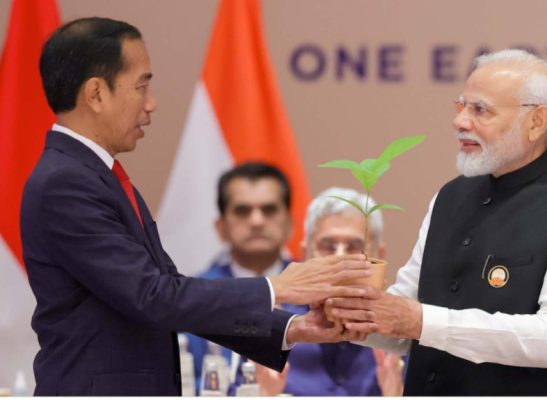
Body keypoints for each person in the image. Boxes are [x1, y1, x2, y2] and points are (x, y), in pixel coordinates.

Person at [20, 17, 371, 396]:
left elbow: (171, 293)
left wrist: (289, 329)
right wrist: (278, 287)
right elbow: (152, 297)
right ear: (96, 94)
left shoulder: (98, 176)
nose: (151, 103)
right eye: (141, 86)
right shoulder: (66, 183)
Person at [329, 49, 547, 395]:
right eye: (462, 106)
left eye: (480, 110)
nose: (460, 122)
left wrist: (420, 321)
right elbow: (405, 320)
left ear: (536, 122)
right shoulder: (449, 197)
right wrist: (354, 317)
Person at [253, 187, 404, 396]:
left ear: (379, 255)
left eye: (353, 246)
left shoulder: (400, 331)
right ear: (305, 254)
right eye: (328, 246)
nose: (340, 258)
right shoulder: (272, 328)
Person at [185, 162, 294, 393]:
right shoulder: (193, 295)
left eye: (269, 209)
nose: (256, 221)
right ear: (221, 227)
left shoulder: (316, 295)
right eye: (242, 211)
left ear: (289, 224)